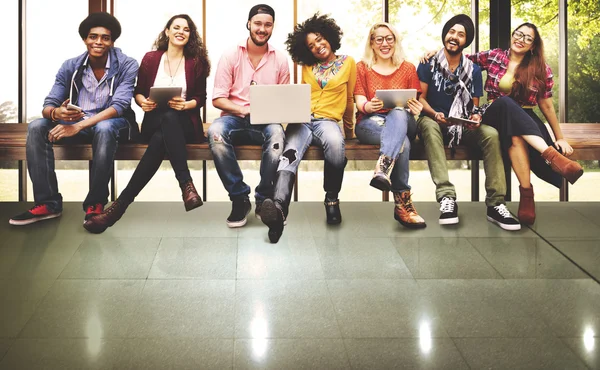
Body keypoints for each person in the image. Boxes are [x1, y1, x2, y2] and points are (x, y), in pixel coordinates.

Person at [83, 14, 210, 234]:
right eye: (176, 27)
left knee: (167, 126)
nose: (181, 31)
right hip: (153, 121)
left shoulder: (195, 62)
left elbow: (200, 97)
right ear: (167, 32)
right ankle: (186, 185)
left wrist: (186, 104)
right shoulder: (152, 58)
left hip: (185, 125)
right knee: (165, 120)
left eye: (186, 29)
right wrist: (144, 103)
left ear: (190, 35)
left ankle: (117, 209)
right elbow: (138, 92)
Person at [9, 12, 138, 226]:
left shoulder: (127, 64)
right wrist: (55, 113)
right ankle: (48, 203)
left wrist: (77, 126)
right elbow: (49, 103)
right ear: (85, 39)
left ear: (112, 41)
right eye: (93, 36)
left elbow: (119, 106)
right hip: (78, 123)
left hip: (115, 125)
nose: (98, 42)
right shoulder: (70, 65)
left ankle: (95, 203)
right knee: (36, 127)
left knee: (104, 128)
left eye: (105, 37)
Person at [466, 22, 583, 225]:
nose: (521, 40)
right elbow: (461, 60)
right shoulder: (494, 56)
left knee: (516, 134)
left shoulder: (541, 69)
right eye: (519, 34)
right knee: (505, 102)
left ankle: (526, 194)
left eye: (528, 38)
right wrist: (436, 52)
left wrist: (560, 137)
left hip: (525, 119)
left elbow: (546, 106)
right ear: (512, 36)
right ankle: (553, 158)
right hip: (493, 113)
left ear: (533, 45)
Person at [417, 14, 521, 231]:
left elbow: (473, 106)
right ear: (445, 34)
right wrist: (435, 113)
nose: (454, 37)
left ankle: (496, 204)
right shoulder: (428, 64)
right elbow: (420, 99)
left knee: (491, 134)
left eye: (461, 34)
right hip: (434, 122)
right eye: (451, 32)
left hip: (460, 126)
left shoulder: (472, 70)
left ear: (466, 41)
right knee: (427, 124)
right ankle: (447, 198)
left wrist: (474, 118)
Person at [260, 13, 355, 243]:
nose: (318, 46)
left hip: (328, 121)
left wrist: (350, 132)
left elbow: (350, 99)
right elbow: (299, 96)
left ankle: (331, 198)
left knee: (335, 144)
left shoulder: (348, 63)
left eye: (320, 39)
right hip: (301, 120)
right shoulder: (306, 67)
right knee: (288, 156)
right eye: (311, 46)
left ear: (330, 37)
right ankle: (279, 210)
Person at [208, 4, 289, 228]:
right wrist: (243, 109)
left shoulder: (280, 60)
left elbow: (284, 100)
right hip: (234, 118)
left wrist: (273, 112)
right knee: (215, 132)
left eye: (267, 24)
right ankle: (239, 198)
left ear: (272, 27)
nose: (262, 29)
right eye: (258, 24)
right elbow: (218, 99)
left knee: (277, 135)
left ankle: (264, 199)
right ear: (249, 24)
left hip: (265, 121)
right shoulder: (230, 55)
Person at [354, 22, 426, 229]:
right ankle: (403, 204)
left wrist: (415, 108)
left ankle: (383, 167)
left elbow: (416, 101)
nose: (385, 43)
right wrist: (368, 105)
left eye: (389, 38)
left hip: (404, 121)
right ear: (372, 43)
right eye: (379, 39)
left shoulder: (408, 68)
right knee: (400, 141)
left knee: (398, 112)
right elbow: (360, 102)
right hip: (371, 123)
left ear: (395, 41)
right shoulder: (362, 68)